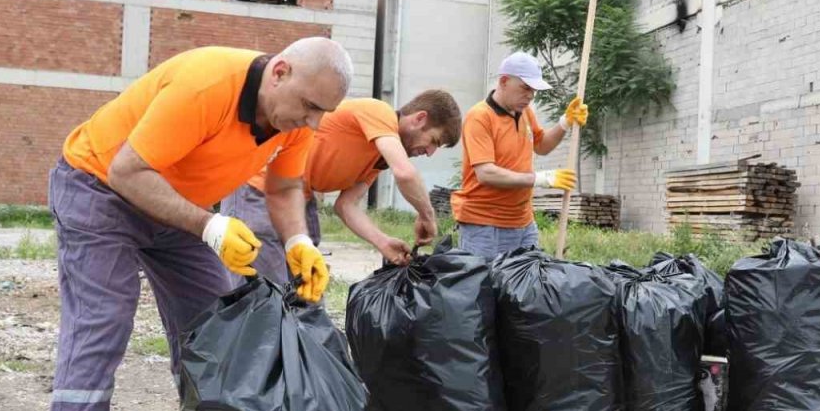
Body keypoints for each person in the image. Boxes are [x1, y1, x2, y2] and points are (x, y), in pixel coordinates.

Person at [42, 38, 349, 411]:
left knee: (214, 332)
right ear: (279, 72)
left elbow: (283, 187)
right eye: (310, 106)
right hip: (99, 187)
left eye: (324, 113)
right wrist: (210, 227)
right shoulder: (208, 84)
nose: (313, 122)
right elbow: (127, 170)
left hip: (178, 203)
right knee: (102, 322)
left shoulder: (293, 119)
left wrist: (299, 241)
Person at [221, 90, 461, 277]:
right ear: (419, 119)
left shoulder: (376, 159)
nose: (430, 153)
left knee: (306, 291)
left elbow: (346, 206)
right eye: (434, 141)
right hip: (259, 191)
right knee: (264, 293)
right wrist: (427, 216)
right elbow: (405, 173)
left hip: (297, 201)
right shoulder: (379, 112)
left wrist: (383, 242)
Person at [451, 52, 589, 260]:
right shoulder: (480, 117)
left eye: (533, 90)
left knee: (528, 278)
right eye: (525, 88)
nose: (530, 96)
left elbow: (541, 145)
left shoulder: (525, 113)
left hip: (523, 223)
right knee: (484, 280)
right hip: (484, 226)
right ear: (504, 81)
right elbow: (486, 173)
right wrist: (541, 179)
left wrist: (564, 123)